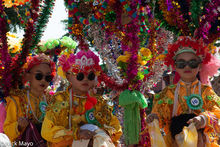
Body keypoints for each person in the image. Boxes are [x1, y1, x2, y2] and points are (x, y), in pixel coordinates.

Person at [146, 37, 220, 146]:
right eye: (181, 63)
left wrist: (204, 119)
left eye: (192, 63)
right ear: (175, 66)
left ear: (199, 66)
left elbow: (217, 112)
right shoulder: (168, 92)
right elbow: (161, 115)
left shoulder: (206, 92)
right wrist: (155, 117)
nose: (187, 66)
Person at [41, 50, 122, 147]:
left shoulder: (100, 102)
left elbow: (116, 128)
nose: (85, 79)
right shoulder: (60, 99)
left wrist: (98, 135)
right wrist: (76, 134)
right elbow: (47, 131)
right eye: (80, 75)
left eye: (91, 75)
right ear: (68, 76)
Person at [3, 54, 56, 144]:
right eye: (39, 76)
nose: (43, 80)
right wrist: (18, 126)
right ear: (28, 76)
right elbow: (7, 132)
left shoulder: (52, 100)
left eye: (48, 77)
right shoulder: (16, 99)